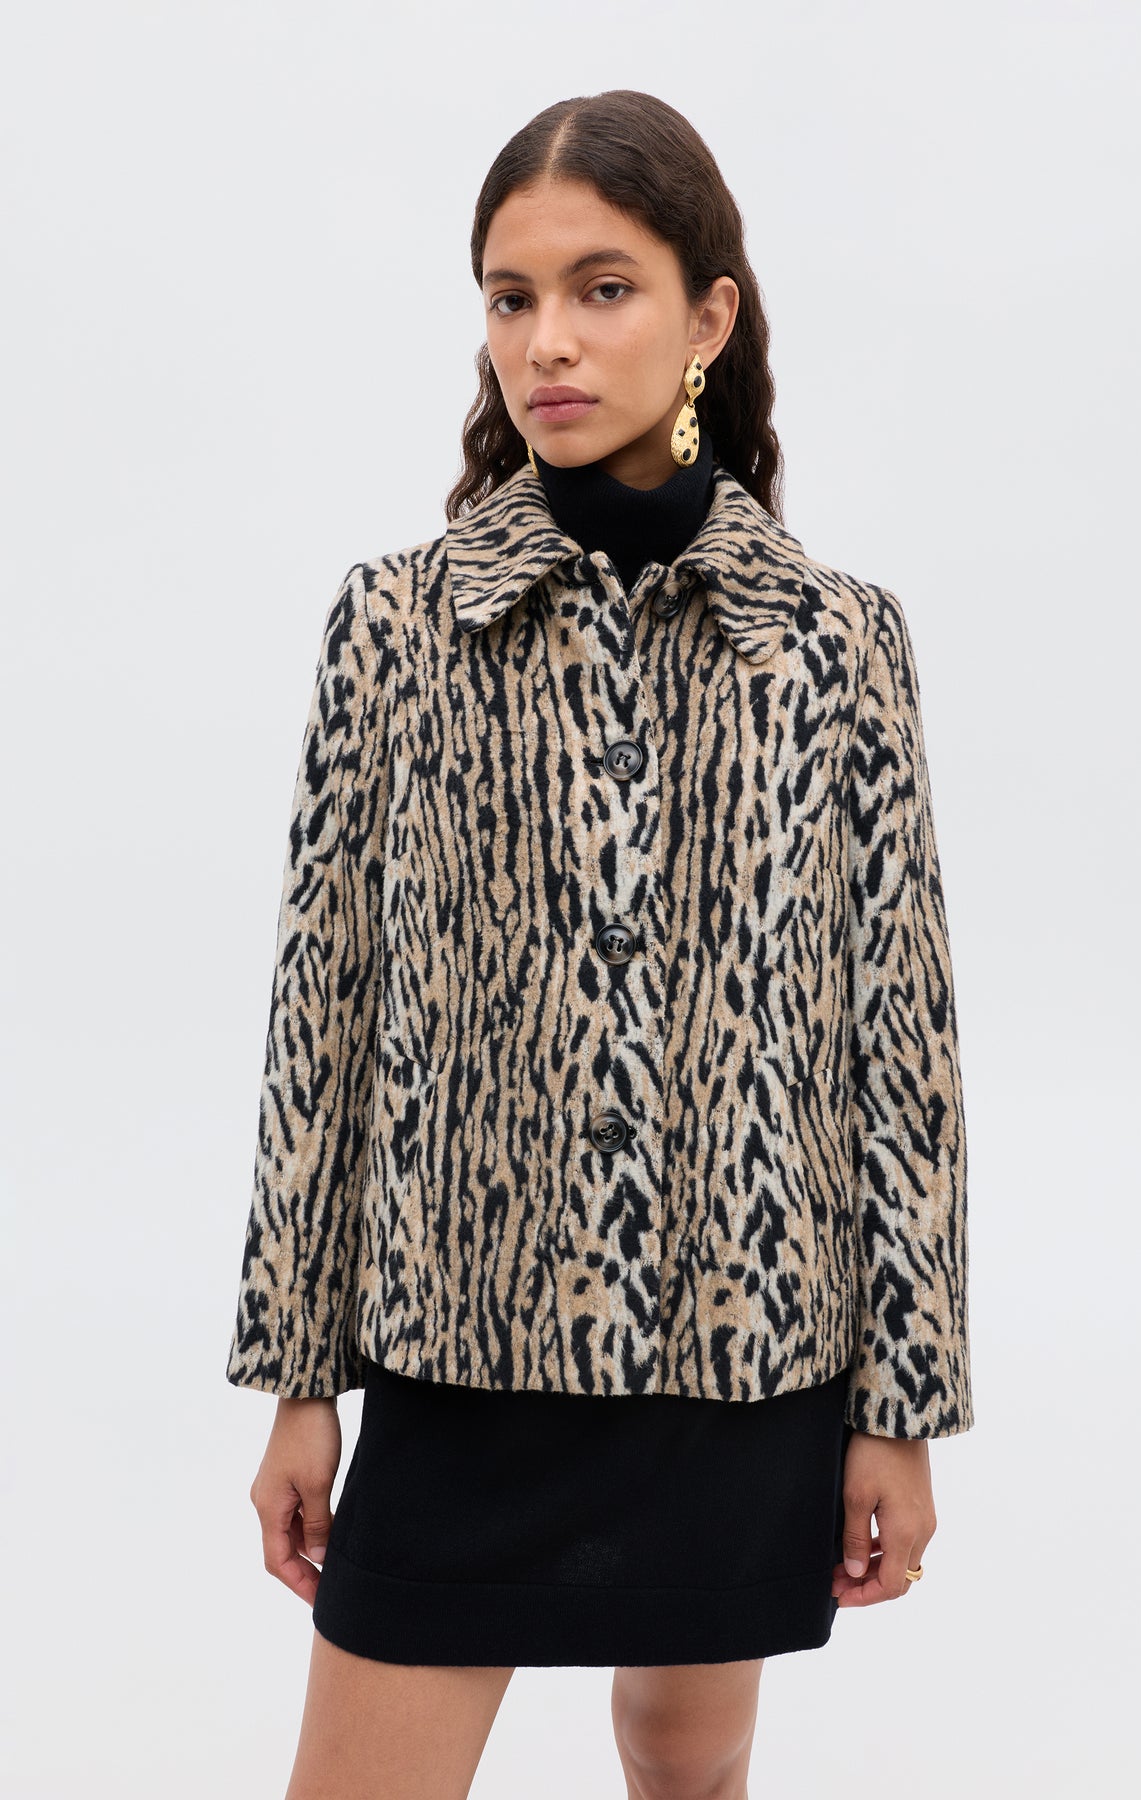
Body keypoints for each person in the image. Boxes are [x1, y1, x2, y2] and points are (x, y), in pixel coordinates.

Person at [225, 89, 974, 1800]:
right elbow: (320, 1018)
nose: (547, 340)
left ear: (709, 316)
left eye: (603, 287)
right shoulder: (399, 626)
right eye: (511, 296)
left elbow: (903, 1053)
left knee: (686, 1770)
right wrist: (296, 1382)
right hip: (458, 1359)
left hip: (747, 1361)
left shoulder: (835, 643)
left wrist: (901, 1407)